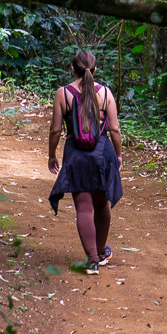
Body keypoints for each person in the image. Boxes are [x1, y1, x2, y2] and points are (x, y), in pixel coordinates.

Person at [48, 50, 124, 274]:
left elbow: (55, 130)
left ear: (72, 69)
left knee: (83, 208)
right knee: (102, 204)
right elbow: (114, 129)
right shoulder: (106, 93)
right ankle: (101, 253)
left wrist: (51, 154)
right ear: (95, 70)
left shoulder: (63, 94)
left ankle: (91, 261)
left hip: (75, 155)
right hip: (102, 152)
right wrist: (118, 155)